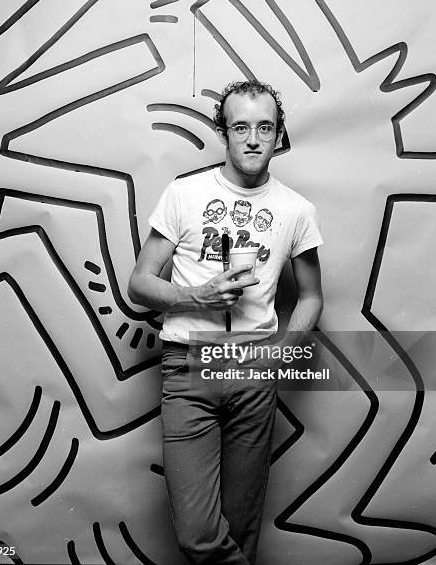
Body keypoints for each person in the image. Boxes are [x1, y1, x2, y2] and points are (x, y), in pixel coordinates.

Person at [128, 80, 323, 564]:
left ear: (278, 135)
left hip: (252, 369)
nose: (253, 138)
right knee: (199, 535)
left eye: (264, 127)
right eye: (241, 127)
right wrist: (198, 295)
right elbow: (139, 283)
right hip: (188, 365)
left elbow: (313, 298)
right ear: (225, 133)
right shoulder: (184, 193)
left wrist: (281, 353)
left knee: (241, 528)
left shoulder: (297, 210)